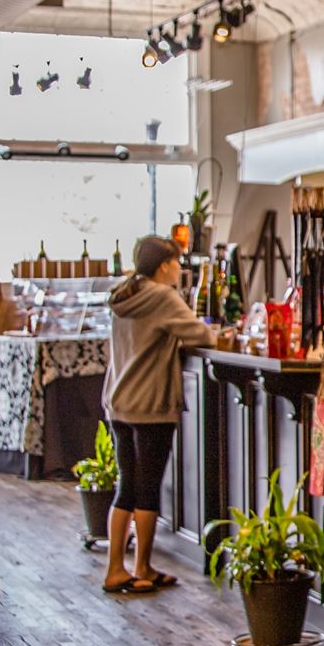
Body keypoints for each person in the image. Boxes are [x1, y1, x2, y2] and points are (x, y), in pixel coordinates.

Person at [101, 234, 226, 595]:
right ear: (162, 266)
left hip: (119, 400)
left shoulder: (124, 294)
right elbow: (201, 335)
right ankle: (140, 566)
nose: (180, 268)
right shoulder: (161, 297)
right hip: (150, 404)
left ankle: (115, 568)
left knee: (127, 486)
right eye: (176, 261)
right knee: (147, 489)